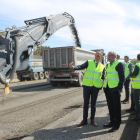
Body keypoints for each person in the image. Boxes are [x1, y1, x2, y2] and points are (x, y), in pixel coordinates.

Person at [69, 51, 105, 127]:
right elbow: (80, 66)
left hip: (95, 88)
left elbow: (103, 77)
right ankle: (84, 120)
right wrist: (73, 67)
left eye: (98, 56)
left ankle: (92, 120)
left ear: (101, 57)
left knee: (93, 104)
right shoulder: (89, 62)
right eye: (95, 55)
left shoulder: (102, 66)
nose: (96, 57)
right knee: (86, 103)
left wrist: (100, 86)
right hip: (87, 86)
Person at [103, 51, 125, 132]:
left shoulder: (119, 64)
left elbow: (122, 78)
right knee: (110, 106)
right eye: (108, 56)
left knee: (116, 108)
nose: (108, 57)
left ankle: (116, 125)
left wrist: (119, 88)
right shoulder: (108, 65)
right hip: (108, 88)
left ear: (115, 56)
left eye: (110, 55)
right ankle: (112, 122)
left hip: (115, 89)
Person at [130, 53, 140, 121]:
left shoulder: (137, 64)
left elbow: (134, 75)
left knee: (136, 101)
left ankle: (138, 115)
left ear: (137, 58)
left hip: (137, 86)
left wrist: (130, 75)